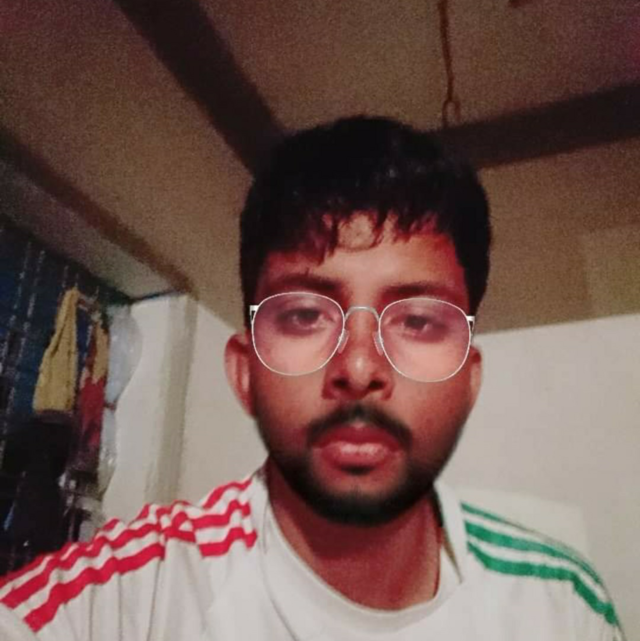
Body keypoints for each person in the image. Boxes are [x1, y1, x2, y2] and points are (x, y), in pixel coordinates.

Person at [0, 117, 625, 640]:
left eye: (417, 319)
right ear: (244, 372)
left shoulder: (563, 609)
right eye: (303, 315)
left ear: (469, 379)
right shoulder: (123, 602)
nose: (359, 368)